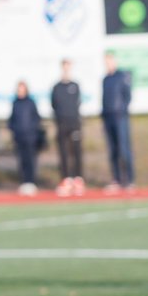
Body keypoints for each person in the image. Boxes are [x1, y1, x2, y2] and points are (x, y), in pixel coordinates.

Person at [52, 58, 85, 196]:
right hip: (62, 124)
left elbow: (77, 103)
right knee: (63, 152)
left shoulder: (75, 86)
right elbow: (54, 104)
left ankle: (78, 180)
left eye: (68, 67)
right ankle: (66, 179)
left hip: (74, 123)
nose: (66, 70)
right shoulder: (56, 87)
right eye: (64, 67)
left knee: (76, 151)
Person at [101, 51, 133, 192]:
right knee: (112, 150)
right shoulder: (105, 79)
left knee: (124, 149)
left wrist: (122, 111)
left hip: (120, 117)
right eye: (106, 61)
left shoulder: (122, 76)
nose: (108, 64)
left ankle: (130, 180)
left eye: (110, 60)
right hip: (108, 117)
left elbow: (127, 96)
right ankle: (117, 179)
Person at [8, 80, 42, 195]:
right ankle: (24, 183)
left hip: (30, 137)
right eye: (19, 89)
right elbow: (12, 119)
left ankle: (31, 182)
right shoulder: (15, 103)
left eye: (22, 89)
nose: (20, 91)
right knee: (21, 161)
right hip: (19, 137)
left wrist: (32, 131)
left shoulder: (31, 102)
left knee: (31, 161)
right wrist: (14, 129)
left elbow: (36, 118)